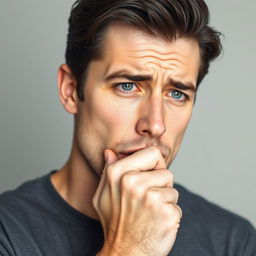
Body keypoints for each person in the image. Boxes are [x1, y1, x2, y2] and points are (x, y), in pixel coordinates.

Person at [0, 0, 255, 255]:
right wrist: (129, 248)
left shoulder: (233, 241)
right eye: (127, 86)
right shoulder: (8, 232)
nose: (156, 125)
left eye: (176, 93)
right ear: (70, 91)